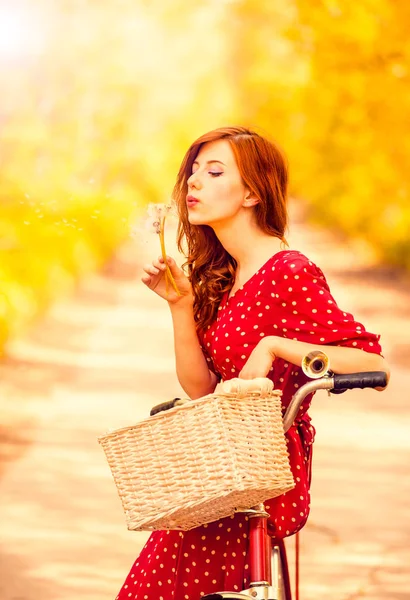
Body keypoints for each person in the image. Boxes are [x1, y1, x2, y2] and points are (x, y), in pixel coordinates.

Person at [116, 126, 389, 600]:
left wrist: (275, 345)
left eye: (214, 171)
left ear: (252, 192)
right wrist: (180, 307)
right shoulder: (225, 274)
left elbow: (365, 359)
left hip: (260, 470)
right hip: (218, 466)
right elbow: (203, 390)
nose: (193, 183)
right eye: (193, 171)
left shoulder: (289, 270)